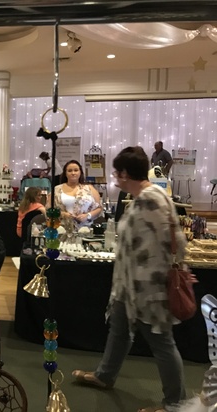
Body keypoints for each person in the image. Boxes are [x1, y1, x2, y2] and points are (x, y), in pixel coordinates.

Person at [72, 146, 191, 412]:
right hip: (129, 286)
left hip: (148, 290)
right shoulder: (141, 197)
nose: (115, 177)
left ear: (126, 173)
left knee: (162, 342)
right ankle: (105, 375)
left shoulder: (151, 200)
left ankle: (175, 403)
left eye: (117, 172)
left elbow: (170, 245)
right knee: (119, 329)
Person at [47, 160, 102, 232]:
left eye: (76, 170)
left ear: (80, 172)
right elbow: (48, 209)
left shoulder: (89, 188)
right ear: (65, 173)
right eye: (70, 171)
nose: (73, 173)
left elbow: (99, 208)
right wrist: (62, 214)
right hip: (62, 230)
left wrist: (87, 216)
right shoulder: (56, 190)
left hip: (85, 230)